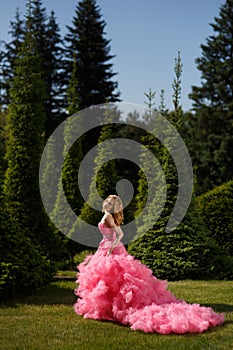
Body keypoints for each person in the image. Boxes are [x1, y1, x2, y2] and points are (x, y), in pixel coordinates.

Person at [74, 195, 224, 334]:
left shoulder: (108, 217)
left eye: (109, 203)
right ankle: (107, 308)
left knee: (116, 276)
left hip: (112, 248)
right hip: (106, 246)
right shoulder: (106, 216)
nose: (106, 204)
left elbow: (120, 235)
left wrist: (111, 248)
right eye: (106, 201)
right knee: (106, 277)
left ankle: (118, 308)